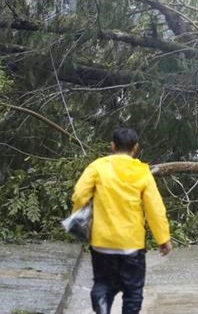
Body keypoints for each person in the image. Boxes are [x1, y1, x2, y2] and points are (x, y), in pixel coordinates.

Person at [71, 127, 172, 314]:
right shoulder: (142, 172)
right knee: (133, 291)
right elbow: (155, 209)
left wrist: (79, 219)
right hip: (131, 244)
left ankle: (101, 301)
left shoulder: (98, 166)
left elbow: (79, 195)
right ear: (135, 148)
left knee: (103, 284)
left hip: (102, 242)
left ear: (112, 146)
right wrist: (163, 238)